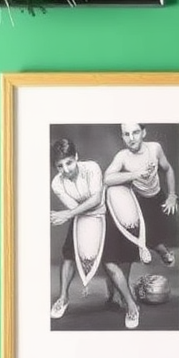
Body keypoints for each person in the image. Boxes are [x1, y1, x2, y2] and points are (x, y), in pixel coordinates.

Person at [50, 137, 140, 329]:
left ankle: (132, 305)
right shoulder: (57, 184)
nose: (66, 169)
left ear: (76, 157)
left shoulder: (92, 168)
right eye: (59, 166)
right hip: (82, 218)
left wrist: (69, 214)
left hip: (104, 215)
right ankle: (63, 298)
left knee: (110, 263)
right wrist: (77, 211)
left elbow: (97, 200)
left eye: (69, 162)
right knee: (68, 257)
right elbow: (81, 208)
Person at [103, 123, 179, 265]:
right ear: (122, 137)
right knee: (147, 236)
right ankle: (163, 252)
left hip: (160, 197)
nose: (131, 138)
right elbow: (107, 178)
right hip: (140, 202)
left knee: (172, 228)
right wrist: (134, 174)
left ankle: (164, 250)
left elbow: (168, 169)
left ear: (143, 133)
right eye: (127, 134)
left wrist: (172, 195)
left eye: (135, 132)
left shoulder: (155, 148)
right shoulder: (122, 157)